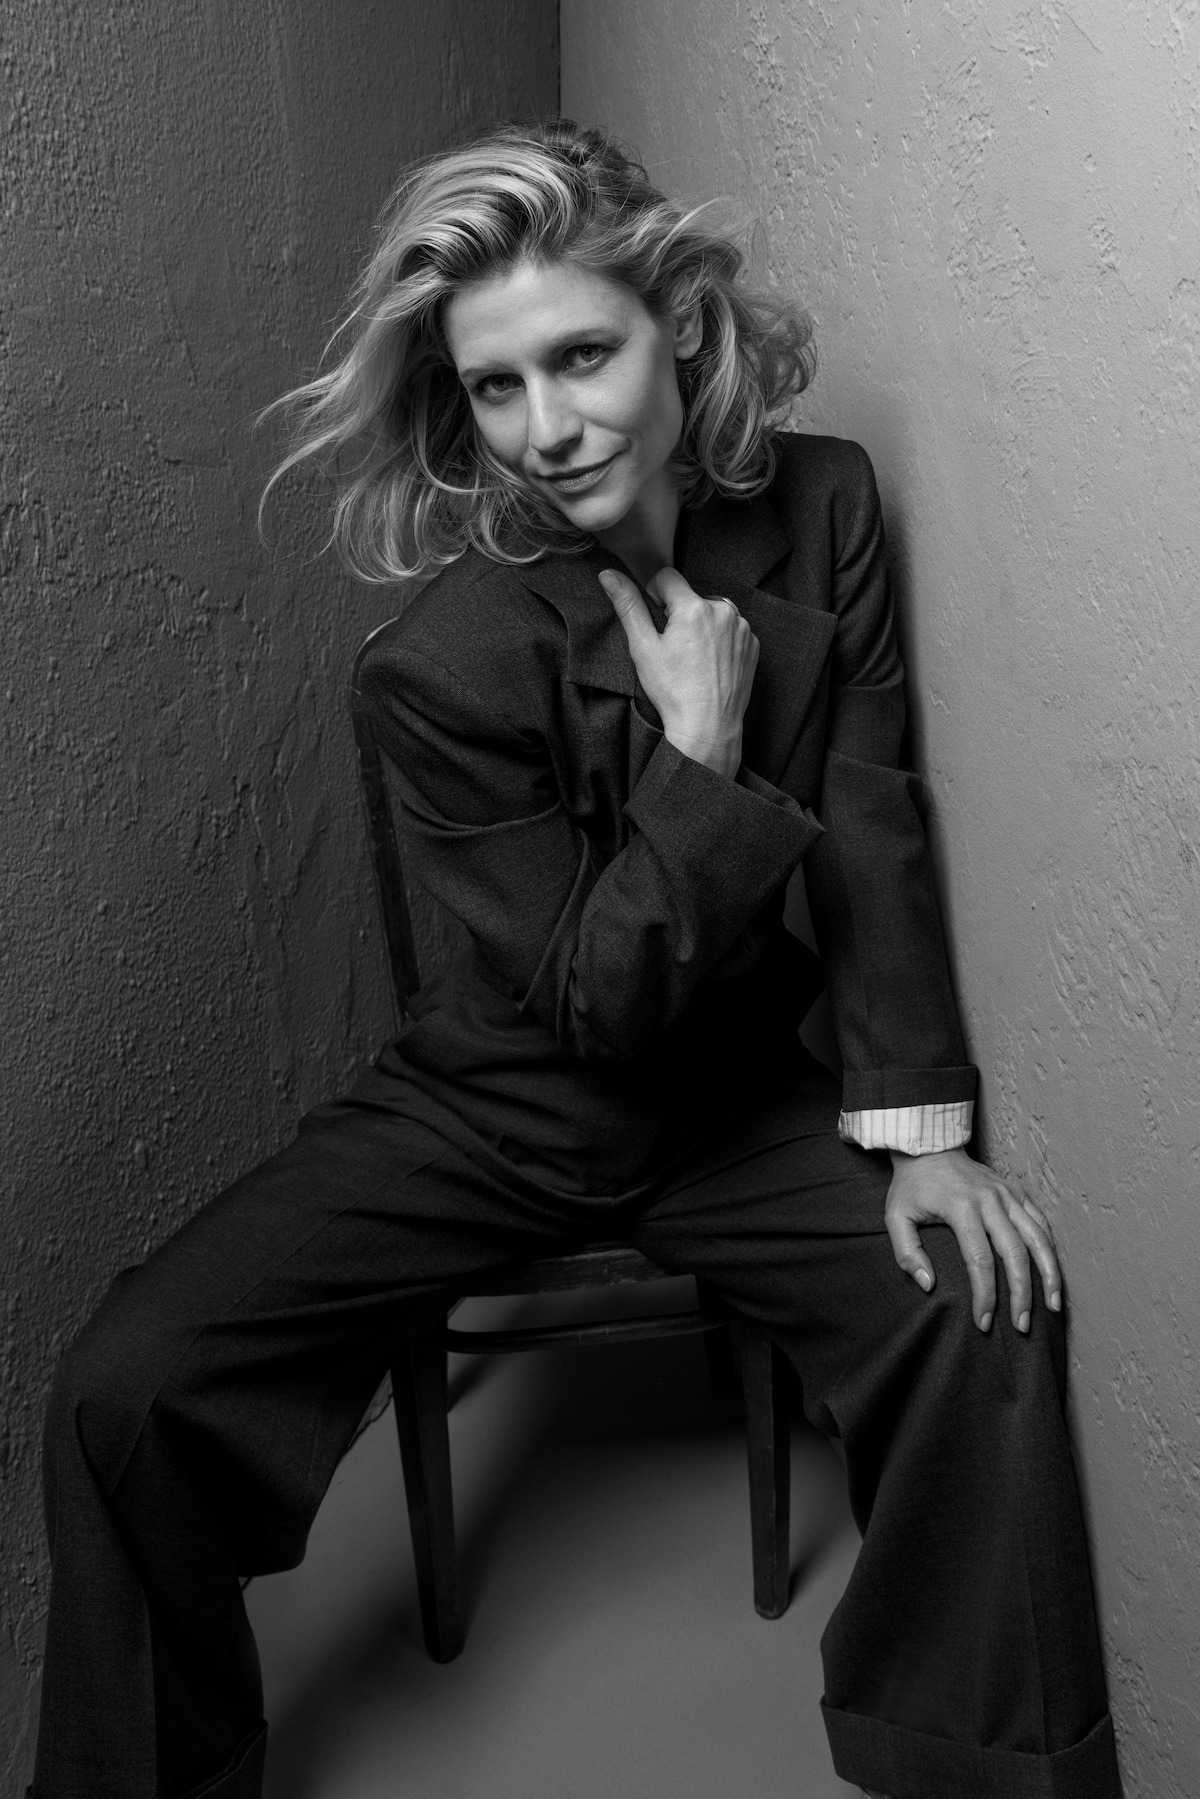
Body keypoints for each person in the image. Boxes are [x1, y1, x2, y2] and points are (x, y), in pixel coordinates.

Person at [31, 119, 1122, 1799]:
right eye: (495, 389)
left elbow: (877, 818)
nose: (546, 430)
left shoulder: (820, 510)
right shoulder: (438, 666)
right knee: (125, 1388)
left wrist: (920, 1134)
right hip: (502, 1107)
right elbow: (589, 1015)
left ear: (680, 323)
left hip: (743, 1107)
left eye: (584, 356)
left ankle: (966, 1765)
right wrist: (696, 762)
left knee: (982, 1313)